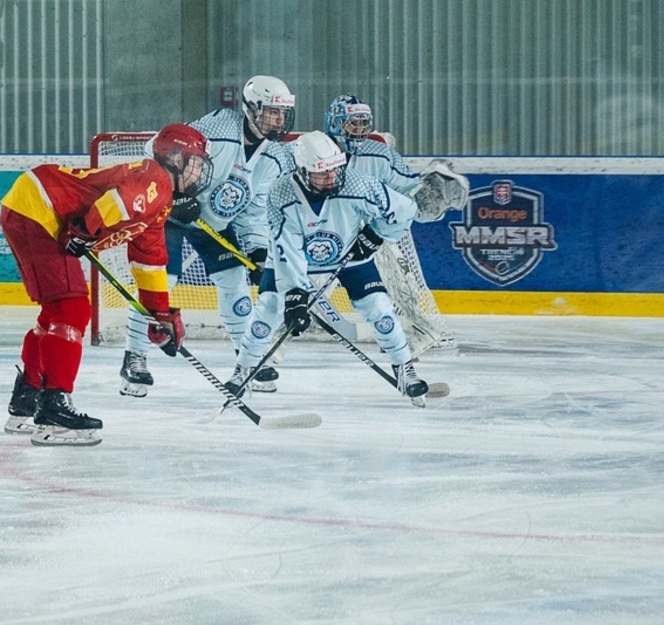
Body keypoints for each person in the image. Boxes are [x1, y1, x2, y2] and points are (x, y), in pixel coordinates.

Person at [0, 123, 213, 446]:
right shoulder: (154, 177)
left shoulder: (161, 203)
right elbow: (118, 202)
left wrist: (161, 315)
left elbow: (150, 262)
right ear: (174, 156)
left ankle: (27, 398)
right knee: (72, 309)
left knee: (54, 313)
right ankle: (54, 409)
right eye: (195, 163)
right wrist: (85, 230)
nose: (199, 174)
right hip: (40, 205)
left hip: (31, 201)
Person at [227, 130, 446, 406]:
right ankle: (243, 370)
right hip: (295, 262)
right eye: (322, 173)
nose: (331, 178)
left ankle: (405, 369)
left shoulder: (359, 185)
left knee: (380, 310)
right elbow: (288, 248)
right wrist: (296, 295)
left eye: (334, 170)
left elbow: (405, 210)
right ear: (302, 171)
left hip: (350, 256)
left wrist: (377, 234)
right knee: (268, 310)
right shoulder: (281, 195)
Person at [119, 75, 296, 397]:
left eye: (283, 113)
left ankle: (247, 358)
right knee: (159, 283)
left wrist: (256, 249)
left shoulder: (275, 159)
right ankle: (135, 357)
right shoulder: (219, 128)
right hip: (170, 215)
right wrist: (173, 196)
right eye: (272, 112)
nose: (279, 120)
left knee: (235, 279)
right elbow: (158, 146)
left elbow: (253, 212)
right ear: (251, 108)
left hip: (214, 224)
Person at [324, 94, 468, 351]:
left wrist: (432, 195)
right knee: (298, 284)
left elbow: (408, 192)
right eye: (353, 124)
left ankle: (420, 330)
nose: (359, 131)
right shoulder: (316, 151)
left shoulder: (379, 155)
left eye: (363, 124)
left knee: (400, 279)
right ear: (336, 123)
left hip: (372, 234)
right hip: (325, 234)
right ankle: (273, 333)